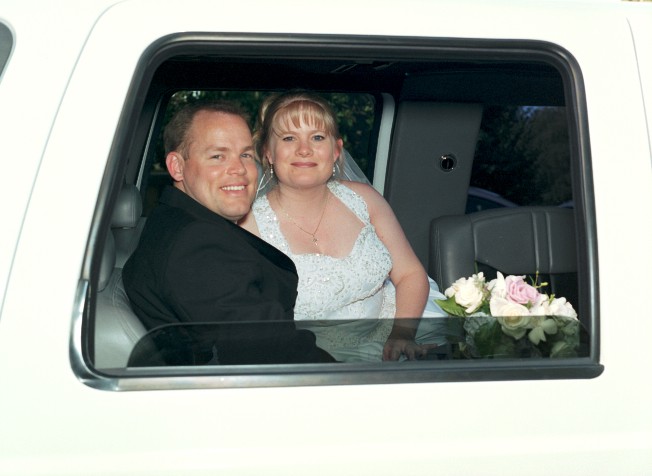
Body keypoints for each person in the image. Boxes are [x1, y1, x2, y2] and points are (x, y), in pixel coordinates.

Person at [239, 91, 447, 362]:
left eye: (317, 137)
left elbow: (410, 274)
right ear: (268, 152)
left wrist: (402, 334)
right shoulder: (249, 227)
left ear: (336, 150)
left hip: (398, 334)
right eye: (289, 138)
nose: (304, 149)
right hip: (310, 360)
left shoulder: (365, 200)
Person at [122, 100, 333, 365]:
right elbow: (275, 352)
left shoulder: (171, 218)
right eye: (218, 156)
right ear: (177, 166)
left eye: (245, 155)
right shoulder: (198, 247)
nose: (239, 169)